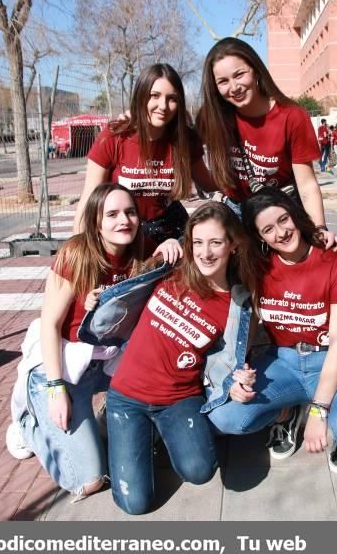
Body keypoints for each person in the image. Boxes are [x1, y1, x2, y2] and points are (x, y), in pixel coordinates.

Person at [6, 182, 179, 500]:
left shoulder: (142, 248)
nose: (123, 221)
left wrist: (169, 244)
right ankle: (30, 426)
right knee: (89, 481)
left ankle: (100, 418)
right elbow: (50, 324)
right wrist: (56, 388)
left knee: (147, 419)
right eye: (111, 214)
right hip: (63, 362)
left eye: (129, 212)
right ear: (95, 222)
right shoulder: (77, 252)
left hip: (107, 359)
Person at [206, 188, 337, 474]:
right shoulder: (258, 267)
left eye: (283, 219)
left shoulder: (336, 261)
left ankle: (335, 425)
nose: (281, 232)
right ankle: (286, 412)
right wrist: (236, 372)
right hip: (285, 362)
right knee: (224, 416)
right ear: (259, 237)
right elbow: (212, 253)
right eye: (268, 229)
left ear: (295, 215)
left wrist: (319, 411)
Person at [106, 202, 257, 515]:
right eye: (198, 242)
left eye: (215, 242)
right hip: (126, 396)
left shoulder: (237, 306)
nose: (205, 253)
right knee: (135, 504)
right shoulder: (169, 269)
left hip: (178, 399)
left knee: (199, 471)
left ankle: (162, 434)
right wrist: (102, 298)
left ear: (233, 244)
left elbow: (232, 360)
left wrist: (236, 383)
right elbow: (123, 275)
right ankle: (132, 434)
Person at [196, 37, 337, 249]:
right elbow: (179, 144)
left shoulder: (292, 116)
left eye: (239, 74)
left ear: (255, 70)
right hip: (236, 216)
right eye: (223, 81)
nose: (234, 87)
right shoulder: (212, 118)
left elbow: (307, 184)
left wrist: (319, 228)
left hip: (280, 214)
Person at [75, 64, 210, 247]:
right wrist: (76, 250)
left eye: (172, 99)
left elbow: (211, 183)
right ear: (141, 96)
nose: (163, 106)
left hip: (172, 236)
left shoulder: (185, 140)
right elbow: (88, 200)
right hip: (124, 235)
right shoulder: (114, 137)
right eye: (154, 96)